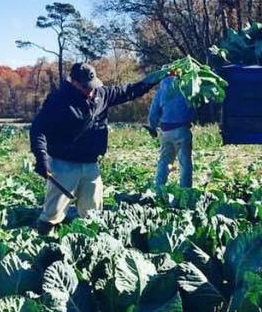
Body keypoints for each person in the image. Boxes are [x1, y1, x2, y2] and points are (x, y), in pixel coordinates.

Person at [29, 62, 165, 235]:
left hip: (91, 164)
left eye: (92, 86)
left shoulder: (102, 94)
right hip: (64, 164)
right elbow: (38, 129)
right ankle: (42, 244)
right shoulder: (57, 100)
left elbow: (130, 91)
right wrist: (42, 158)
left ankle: (89, 247)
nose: (90, 90)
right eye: (86, 87)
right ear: (73, 82)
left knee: (92, 213)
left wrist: (157, 77)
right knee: (53, 213)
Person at [148, 75, 195, 188]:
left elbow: (154, 110)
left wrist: (152, 127)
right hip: (181, 130)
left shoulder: (162, 89)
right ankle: (185, 190)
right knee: (185, 163)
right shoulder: (186, 87)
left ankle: (159, 188)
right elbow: (193, 109)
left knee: (164, 160)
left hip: (165, 132)